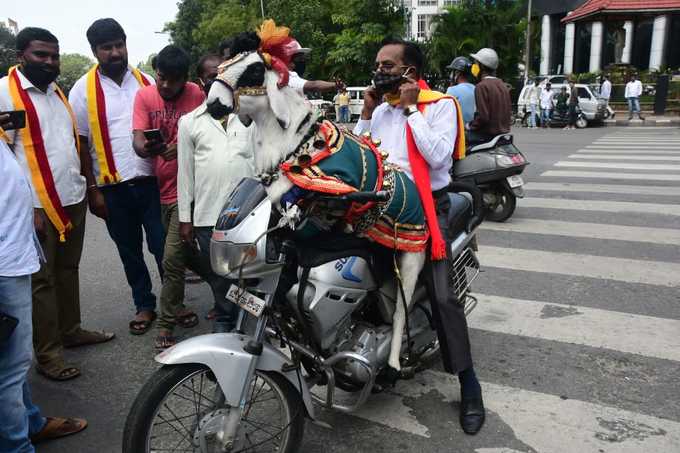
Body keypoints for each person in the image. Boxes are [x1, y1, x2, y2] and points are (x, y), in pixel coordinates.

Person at [354, 37, 485, 435]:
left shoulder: (440, 105)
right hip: (383, 209)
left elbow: (438, 158)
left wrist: (412, 109)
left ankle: (469, 383)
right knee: (372, 285)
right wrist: (364, 115)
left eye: (389, 66)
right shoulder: (380, 112)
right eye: (378, 65)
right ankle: (387, 358)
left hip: (429, 210)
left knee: (443, 296)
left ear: (410, 71)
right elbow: (361, 153)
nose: (380, 72)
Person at [0, 27, 114, 382]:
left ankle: (71, 330)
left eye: (54, 55)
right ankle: (48, 354)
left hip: (71, 198)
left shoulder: (56, 91)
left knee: (68, 271)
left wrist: (86, 186)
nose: (50, 62)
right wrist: (30, 208)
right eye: (41, 55)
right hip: (35, 208)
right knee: (42, 282)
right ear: (21, 56)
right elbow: (7, 157)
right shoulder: (5, 93)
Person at [69, 18, 166, 336]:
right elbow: (81, 142)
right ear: (94, 51)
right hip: (111, 187)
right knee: (129, 251)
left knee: (163, 245)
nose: (115, 53)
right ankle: (145, 305)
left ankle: (174, 303)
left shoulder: (146, 81)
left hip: (151, 180)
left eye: (119, 45)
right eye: (107, 48)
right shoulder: (82, 89)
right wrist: (92, 189)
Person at [0, 128, 87, 453]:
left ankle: (30, 423)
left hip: (14, 257)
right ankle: (17, 445)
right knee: (9, 370)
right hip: (4, 267)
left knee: (12, 363)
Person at [174, 54, 256, 346]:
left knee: (251, 275)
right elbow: (185, 175)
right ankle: (225, 328)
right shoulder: (189, 123)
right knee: (222, 278)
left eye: (224, 76)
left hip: (249, 215)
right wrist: (186, 219)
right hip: (209, 218)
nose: (217, 82)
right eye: (211, 76)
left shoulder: (248, 119)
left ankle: (252, 332)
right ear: (202, 82)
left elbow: (260, 164)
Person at [132, 45, 206, 342]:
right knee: (189, 256)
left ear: (184, 79)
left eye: (172, 80)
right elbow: (137, 138)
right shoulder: (144, 95)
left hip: (189, 190)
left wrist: (184, 147)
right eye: (160, 77)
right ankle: (226, 291)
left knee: (172, 259)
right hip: (159, 189)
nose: (164, 84)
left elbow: (209, 138)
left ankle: (166, 323)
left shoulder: (197, 95)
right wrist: (145, 147)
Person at [467, 47, 512, 145]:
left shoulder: (481, 86)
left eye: (476, 64)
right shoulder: (503, 85)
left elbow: (483, 117)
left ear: (482, 67)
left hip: (486, 136)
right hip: (502, 135)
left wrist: (470, 126)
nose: (474, 66)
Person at [279, 38, 344, 96]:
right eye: (300, 59)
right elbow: (314, 85)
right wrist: (335, 85)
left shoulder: (276, 75)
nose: (303, 62)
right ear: (288, 61)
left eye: (303, 59)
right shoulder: (287, 78)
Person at [445, 56, 476, 125]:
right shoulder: (476, 89)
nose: (450, 75)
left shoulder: (452, 90)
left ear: (457, 73)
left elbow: (445, 115)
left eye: (452, 72)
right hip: (474, 132)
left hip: (460, 133)